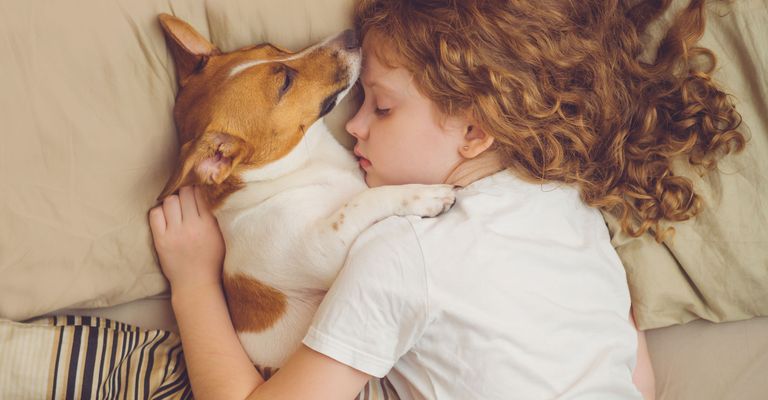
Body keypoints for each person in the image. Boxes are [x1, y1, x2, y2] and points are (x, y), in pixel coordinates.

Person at [148, 0, 744, 399]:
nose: (353, 127)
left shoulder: (400, 254)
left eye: (381, 107)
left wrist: (194, 284)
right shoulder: (570, 206)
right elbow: (633, 373)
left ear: (475, 131)